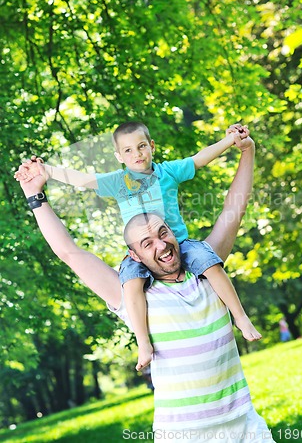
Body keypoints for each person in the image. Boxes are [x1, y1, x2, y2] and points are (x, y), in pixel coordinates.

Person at [16, 134, 275, 441]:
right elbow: (70, 253)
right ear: (134, 256)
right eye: (147, 243)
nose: (161, 244)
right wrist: (36, 198)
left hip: (244, 428)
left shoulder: (207, 270)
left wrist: (248, 151)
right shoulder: (132, 294)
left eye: (164, 233)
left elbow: (235, 208)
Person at [15, 122, 261, 370]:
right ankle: (143, 342)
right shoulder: (118, 182)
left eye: (142, 146)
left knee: (210, 263)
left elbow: (200, 160)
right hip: (138, 259)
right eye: (129, 151)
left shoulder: (168, 172)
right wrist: (45, 170)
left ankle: (240, 317)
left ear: (152, 146)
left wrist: (233, 141)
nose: (137, 154)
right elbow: (83, 180)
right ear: (119, 157)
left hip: (182, 244)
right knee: (131, 282)